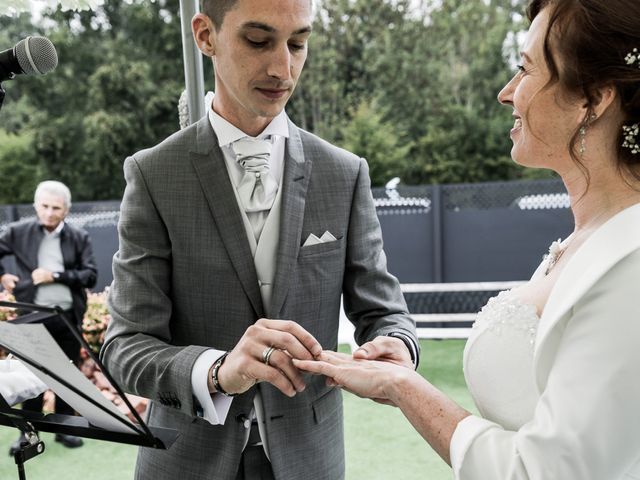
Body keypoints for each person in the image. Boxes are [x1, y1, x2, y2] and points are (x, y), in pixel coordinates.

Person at [295, 0, 640, 478]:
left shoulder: (630, 261)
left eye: (525, 69)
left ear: (594, 99)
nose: (506, 93)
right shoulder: (589, 239)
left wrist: (404, 387)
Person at [100, 0, 418, 479]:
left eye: (298, 43)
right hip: (187, 460)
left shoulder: (344, 172)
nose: (282, 68)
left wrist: (395, 344)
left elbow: (383, 308)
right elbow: (125, 346)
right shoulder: (154, 174)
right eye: (258, 40)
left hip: (310, 457)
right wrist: (218, 371)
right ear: (206, 36)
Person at [0, 180, 98, 453]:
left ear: (66, 210)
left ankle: (65, 429)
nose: (50, 212)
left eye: (56, 208)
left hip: (68, 317)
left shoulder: (79, 237)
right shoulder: (18, 232)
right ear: (35, 206)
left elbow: (90, 275)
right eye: (44, 206)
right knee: (30, 375)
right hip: (32, 316)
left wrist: (54, 275)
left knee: (67, 376)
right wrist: (2, 275)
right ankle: (27, 434)